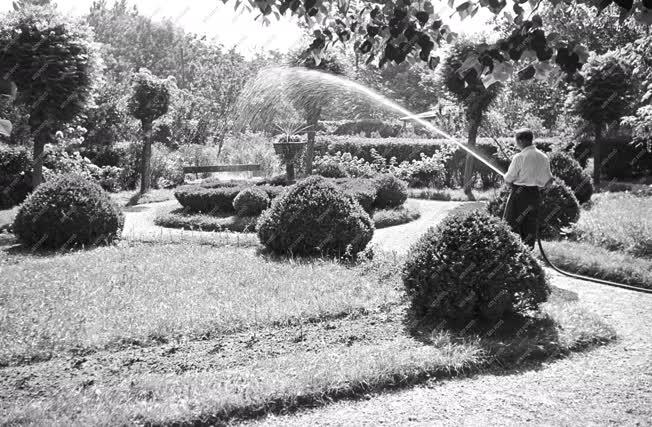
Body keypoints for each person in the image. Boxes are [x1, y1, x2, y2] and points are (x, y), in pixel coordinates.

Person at [503, 128, 554, 249]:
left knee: (510, 225)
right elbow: (549, 181)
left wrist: (507, 180)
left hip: (519, 195)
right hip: (534, 196)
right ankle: (529, 257)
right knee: (530, 228)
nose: (515, 144)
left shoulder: (520, 157)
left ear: (521, 141)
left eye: (516, 140)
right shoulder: (543, 157)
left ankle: (513, 256)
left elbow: (509, 179)